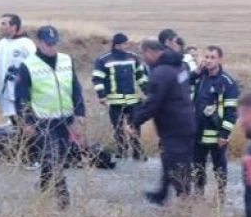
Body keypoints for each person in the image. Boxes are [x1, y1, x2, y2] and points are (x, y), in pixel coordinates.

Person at [14, 25, 84, 209]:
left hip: (65, 119)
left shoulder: (66, 60)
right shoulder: (28, 65)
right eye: (48, 44)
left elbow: (75, 87)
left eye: (54, 44)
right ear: (39, 43)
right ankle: (63, 198)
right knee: (51, 157)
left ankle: (43, 187)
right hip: (43, 121)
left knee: (58, 157)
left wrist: (80, 112)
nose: (52, 48)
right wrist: (27, 121)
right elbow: (21, 97)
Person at [133, 38, 197, 204]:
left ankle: (184, 200)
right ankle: (162, 194)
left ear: (150, 52)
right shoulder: (179, 66)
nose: (144, 58)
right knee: (170, 159)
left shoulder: (161, 72)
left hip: (174, 125)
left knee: (178, 163)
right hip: (185, 121)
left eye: (144, 54)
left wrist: (135, 122)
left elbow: (153, 102)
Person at [191, 45, 240, 196]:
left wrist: (224, 134)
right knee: (197, 166)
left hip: (216, 133)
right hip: (197, 131)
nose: (209, 61)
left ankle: (221, 196)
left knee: (219, 167)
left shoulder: (227, 82)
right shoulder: (199, 77)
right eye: (206, 57)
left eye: (213, 57)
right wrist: (195, 72)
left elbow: (231, 111)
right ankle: (199, 195)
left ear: (220, 60)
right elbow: (182, 84)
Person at [92, 32, 148, 160]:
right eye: (124, 43)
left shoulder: (133, 58)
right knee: (117, 127)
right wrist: (101, 96)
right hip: (114, 100)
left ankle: (137, 151)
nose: (126, 46)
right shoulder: (104, 60)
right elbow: (97, 79)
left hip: (132, 99)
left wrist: (147, 91)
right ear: (117, 45)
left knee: (135, 125)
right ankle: (122, 150)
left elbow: (141, 76)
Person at [0, 13, 35, 122]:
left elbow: (34, 65)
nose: (1, 26)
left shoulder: (26, 44)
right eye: (1, 23)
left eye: (4, 24)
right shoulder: (2, 43)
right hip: (5, 91)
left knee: (24, 122)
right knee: (12, 122)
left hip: (20, 92)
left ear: (14, 26)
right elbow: (0, 66)